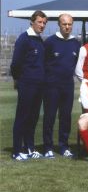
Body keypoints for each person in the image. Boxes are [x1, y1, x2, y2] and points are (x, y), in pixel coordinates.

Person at [10, 10, 48, 160]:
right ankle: (16, 151)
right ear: (32, 22)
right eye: (39, 22)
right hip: (27, 84)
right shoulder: (23, 39)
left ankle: (29, 148)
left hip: (39, 85)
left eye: (44, 23)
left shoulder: (39, 40)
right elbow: (15, 64)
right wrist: (19, 81)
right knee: (22, 117)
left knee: (33, 118)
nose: (42, 25)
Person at [43, 13, 81, 158]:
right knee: (50, 117)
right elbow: (43, 63)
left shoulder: (75, 43)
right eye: (64, 24)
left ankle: (64, 146)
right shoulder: (50, 42)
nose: (67, 27)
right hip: (51, 86)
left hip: (67, 86)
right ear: (59, 24)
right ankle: (48, 147)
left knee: (65, 117)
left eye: (70, 24)